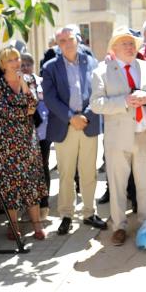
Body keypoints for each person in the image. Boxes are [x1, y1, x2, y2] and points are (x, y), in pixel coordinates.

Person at [90, 27, 146, 246]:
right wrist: (124, 101)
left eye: (132, 43)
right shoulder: (101, 71)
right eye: (124, 44)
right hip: (117, 138)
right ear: (114, 49)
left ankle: (145, 223)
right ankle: (119, 225)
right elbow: (96, 104)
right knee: (117, 184)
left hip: (144, 133)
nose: (130, 47)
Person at [42, 25, 106, 235]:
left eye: (70, 39)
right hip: (65, 125)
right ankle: (67, 215)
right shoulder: (50, 67)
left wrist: (85, 116)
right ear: (57, 45)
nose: (67, 44)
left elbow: (98, 91)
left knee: (89, 172)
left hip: (89, 122)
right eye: (62, 41)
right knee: (66, 174)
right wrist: (72, 117)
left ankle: (89, 212)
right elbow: (50, 99)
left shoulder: (92, 62)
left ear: (77, 40)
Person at [0, 47, 48, 240]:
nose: (16, 63)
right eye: (11, 60)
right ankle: (13, 226)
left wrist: (22, 85)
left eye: (17, 58)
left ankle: (37, 225)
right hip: (6, 141)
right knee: (9, 183)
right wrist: (23, 109)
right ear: (3, 64)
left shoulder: (28, 79)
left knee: (31, 181)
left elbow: (33, 106)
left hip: (27, 139)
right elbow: (4, 111)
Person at [21, 53, 51, 221]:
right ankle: (31, 207)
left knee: (43, 167)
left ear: (33, 66)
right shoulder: (16, 84)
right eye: (22, 64)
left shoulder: (41, 82)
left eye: (28, 64)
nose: (25, 67)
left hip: (43, 132)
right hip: (25, 134)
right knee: (28, 171)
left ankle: (44, 205)